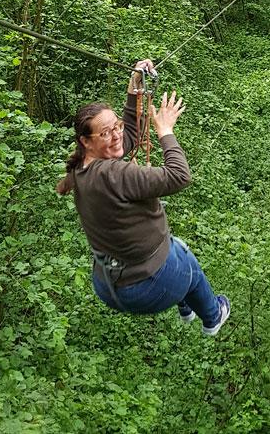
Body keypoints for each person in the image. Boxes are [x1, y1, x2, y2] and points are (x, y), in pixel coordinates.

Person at [56, 60, 230, 336]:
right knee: (187, 260)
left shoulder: (80, 169)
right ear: (86, 141)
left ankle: (185, 306)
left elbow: (127, 141)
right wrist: (166, 130)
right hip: (147, 287)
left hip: (109, 284)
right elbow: (179, 176)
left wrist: (134, 88)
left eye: (117, 127)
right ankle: (212, 317)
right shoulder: (115, 175)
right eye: (105, 133)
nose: (115, 136)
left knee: (175, 248)